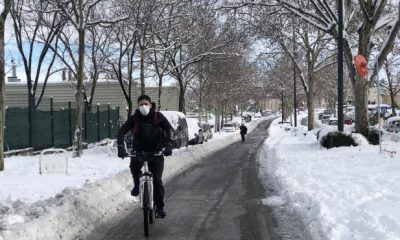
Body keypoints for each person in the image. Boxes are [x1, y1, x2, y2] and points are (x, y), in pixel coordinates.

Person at [117, 95, 174, 218]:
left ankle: (159, 207)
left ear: (150, 104)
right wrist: (121, 147)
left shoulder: (158, 116)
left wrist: (169, 145)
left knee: (157, 180)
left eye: (146, 103)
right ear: (138, 106)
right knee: (134, 166)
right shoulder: (134, 118)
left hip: (156, 152)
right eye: (141, 104)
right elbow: (121, 132)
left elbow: (170, 130)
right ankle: (137, 184)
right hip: (139, 151)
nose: (143, 106)